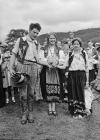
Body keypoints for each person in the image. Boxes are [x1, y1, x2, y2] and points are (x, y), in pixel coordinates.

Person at [10, 23, 42, 124]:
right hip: (22, 67)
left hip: (33, 67)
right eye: (34, 32)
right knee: (23, 93)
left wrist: (48, 64)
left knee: (31, 92)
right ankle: (24, 113)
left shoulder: (37, 43)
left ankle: (30, 113)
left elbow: (38, 59)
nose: (36, 34)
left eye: (37, 33)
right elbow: (14, 54)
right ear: (29, 30)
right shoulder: (21, 40)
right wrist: (11, 67)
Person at [60, 38, 89, 118]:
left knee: (80, 92)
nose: (76, 45)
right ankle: (74, 111)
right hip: (72, 75)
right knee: (72, 92)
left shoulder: (84, 53)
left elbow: (87, 67)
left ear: (80, 45)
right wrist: (55, 65)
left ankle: (81, 111)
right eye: (74, 44)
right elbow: (64, 65)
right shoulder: (70, 54)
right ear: (72, 45)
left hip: (81, 75)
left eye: (77, 44)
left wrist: (87, 81)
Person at [39, 33, 65, 116]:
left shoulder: (59, 49)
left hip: (56, 71)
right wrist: (48, 63)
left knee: (55, 88)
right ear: (48, 39)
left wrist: (56, 63)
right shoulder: (44, 48)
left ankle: (53, 108)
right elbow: (41, 59)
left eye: (53, 38)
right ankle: (49, 108)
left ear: (56, 39)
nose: (52, 40)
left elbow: (62, 59)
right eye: (50, 38)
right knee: (47, 88)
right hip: (47, 70)